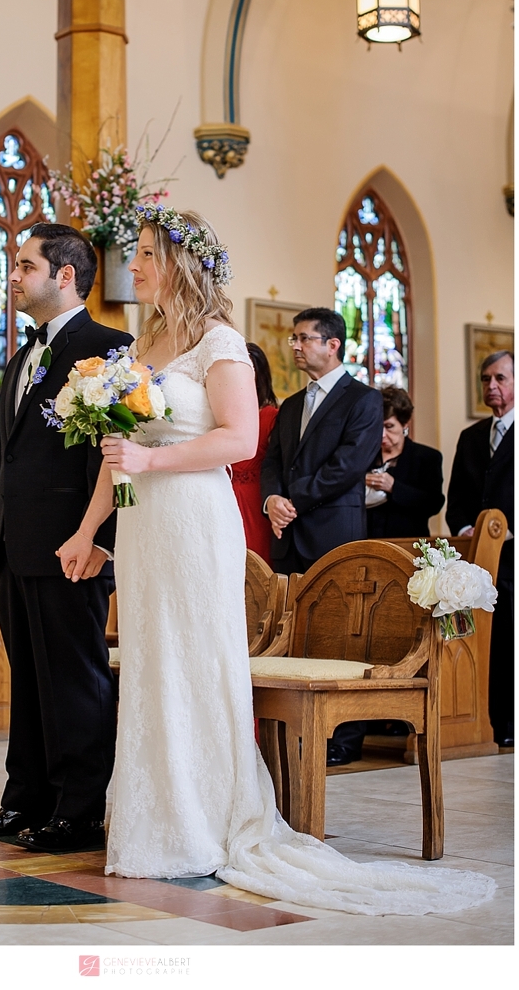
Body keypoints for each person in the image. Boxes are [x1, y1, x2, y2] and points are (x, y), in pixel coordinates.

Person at [56, 204, 493, 915]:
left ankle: (203, 825)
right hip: (146, 526)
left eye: (140, 253)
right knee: (151, 665)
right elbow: (118, 453)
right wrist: (88, 529)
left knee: (194, 664)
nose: (129, 264)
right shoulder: (145, 341)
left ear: (176, 262)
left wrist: (150, 456)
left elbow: (237, 441)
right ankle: (156, 823)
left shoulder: (219, 342)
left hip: (196, 521)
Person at [0, 223, 132, 853]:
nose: (13, 275)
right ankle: (24, 799)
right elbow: (2, 454)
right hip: (13, 546)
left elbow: (111, 459)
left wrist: (100, 539)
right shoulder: (21, 357)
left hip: (71, 547)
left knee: (74, 679)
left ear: (65, 276)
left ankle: (79, 812)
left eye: (25, 266)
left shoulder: (111, 349)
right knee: (29, 678)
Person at [260, 307, 383, 766]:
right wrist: (272, 500)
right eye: (293, 338)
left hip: (334, 531)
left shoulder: (364, 400)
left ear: (332, 344)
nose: (294, 345)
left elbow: (349, 465)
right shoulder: (292, 405)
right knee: (296, 634)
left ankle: (344, 738)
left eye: (303, 338)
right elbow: (273, 462)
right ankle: (300, 730)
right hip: (288, 533)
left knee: (342, 635)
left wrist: (294, 500)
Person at [446, 350, 514, 749]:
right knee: (486, 641)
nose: (492, 387)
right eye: (486, 379)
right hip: (478, 560)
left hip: (514, 556)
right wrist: (467, 528)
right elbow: (455, 500)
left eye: (501, 378)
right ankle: (490, 719)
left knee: (511, 641)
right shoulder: (471, 438)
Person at [365, 387, 444, 539]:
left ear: (405, 424)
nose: (381, 435)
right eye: (377, 426)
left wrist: (394, 487)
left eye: (389, 426)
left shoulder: (427, 457)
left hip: (408, 542)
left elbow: (434, 504)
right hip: (366, 540)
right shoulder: (364, 456)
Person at [231, 343, 278, 563]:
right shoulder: (220, 416)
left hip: (254, 501)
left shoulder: (270, 416)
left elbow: (277, 464)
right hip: (222, 495)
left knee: (255, 566)